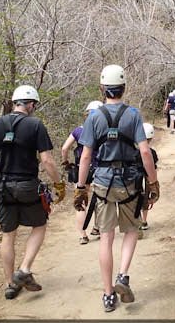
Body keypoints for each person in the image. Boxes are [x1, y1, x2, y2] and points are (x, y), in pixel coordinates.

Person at [74, 64, 159, 312]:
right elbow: (145, 151)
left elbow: (86, 156)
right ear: (124, 87)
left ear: (102, 88)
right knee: (131, 230)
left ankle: (108, 294)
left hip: (102, 182)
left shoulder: (94, 117)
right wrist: (152, 182)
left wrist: (81, 187)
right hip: (129, 182)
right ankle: (123, 275)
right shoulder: (133, 115)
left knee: (106, 238)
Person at [0, 85, 66, 300]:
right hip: (27, 185)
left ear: (15, 103)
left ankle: (10, 284)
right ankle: (23, 270)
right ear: (31, 104)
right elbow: (47, 160)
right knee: (39, 225)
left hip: (3, 186)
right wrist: (58, 183)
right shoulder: (35, 125)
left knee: (8, 235)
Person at [61, 100, 103, 245]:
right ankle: (97, 228)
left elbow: (64, 148)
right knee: (99, 199)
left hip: (81, 169)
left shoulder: (78, 131)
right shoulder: (103, 131)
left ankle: (82, 235)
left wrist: (66, 162)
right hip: (99, 169)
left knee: (81, 201)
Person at [138, 122, 158, 240]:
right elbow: (154, 168)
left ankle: (138, 220)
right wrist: (154, 182)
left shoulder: (133, 151)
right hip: (146, 179)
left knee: (135, 199)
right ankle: (144, 221)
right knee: (146, 199)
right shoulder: (152, 152)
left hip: (134, 179)